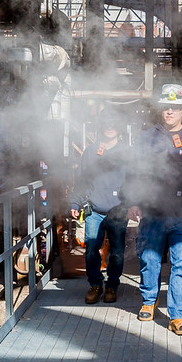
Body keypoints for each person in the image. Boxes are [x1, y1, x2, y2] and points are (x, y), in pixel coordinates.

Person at [122, 83, 182, 336]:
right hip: (153, 212)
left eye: (174, 107)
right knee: (149, 260)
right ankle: (149, 301)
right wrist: (132, 201)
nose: (169, 111)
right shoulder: (146, 137)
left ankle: (177, 315)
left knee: (181, 265)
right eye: (165, 107)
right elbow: (133, 171)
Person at [70, 111, 129, 304]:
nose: (109, 127)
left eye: (113, 123)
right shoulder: (90, 151)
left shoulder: (127, 152)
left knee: (118, 252)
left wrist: (132, 203)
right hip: (94, 210)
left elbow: (135, 180)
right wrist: (75, 202)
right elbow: (81, 179)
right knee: (91, 249)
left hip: (118, 210)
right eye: (106, 123)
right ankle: (95, 284)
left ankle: (112, 285)